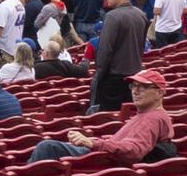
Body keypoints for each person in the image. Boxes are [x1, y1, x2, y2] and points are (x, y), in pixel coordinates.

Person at [28, 69, 173, 164]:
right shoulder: (148, 115)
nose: (135, 91)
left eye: (143, 87)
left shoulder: (152, 118)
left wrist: (93, 144)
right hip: (104, 157)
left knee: (47, 147)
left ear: (160, 93)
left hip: (102, 161)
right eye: (133, 86)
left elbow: (134, 150)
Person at [93, 0, 147, 111]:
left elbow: (105, 50)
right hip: (135, 75)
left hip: (114, 79)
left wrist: (99, 75)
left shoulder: (112, 16)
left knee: (110, 119)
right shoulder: (141, 14)